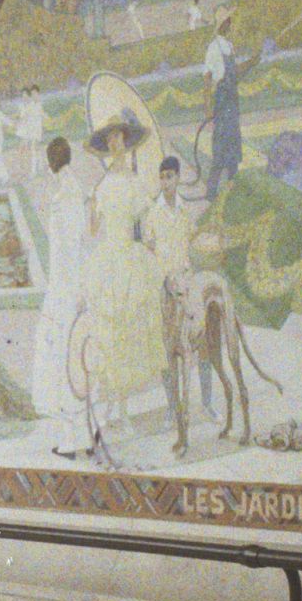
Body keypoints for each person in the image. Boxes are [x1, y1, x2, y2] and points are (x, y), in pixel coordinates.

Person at [84, 110, 168, 432]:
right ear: (107, 146)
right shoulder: (102, 185)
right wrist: (92, 207)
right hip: (109, 257)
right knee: (111, 333)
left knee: (132, 331)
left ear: (126, 141)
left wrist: (150, 244)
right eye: (110, 139)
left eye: (118, 137)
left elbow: (144, 224)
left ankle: (125, 408)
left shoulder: (134, 182)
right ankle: (112, 407)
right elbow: (93, 231)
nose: (115, 143)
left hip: (129, 257)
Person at [144, 156, 213, 418]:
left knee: (202, 336)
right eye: (162, 177)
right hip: (165, 284)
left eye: (170, 176)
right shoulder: (153, 212)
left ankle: (207, 402)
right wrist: (162, 274)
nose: (165, 182)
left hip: (185, 280)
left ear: (178, 178)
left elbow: (193, 242)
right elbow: (148, 246)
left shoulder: (185, 211)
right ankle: (173, 407)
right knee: (166, 346)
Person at [32, 137, 88, 458]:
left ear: (51, 162)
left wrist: (67, 287)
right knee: (79, 354)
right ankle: (87, 432)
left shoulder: (63, 195)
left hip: (64, 286)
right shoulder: (73, 189)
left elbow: (65, 248)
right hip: (72, 283)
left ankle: (71, 438)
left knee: (63, 357)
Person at [202, 8, 251, 201]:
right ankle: (211, 193)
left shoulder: (229, 46)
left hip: (232, 102)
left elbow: (235, 75)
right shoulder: (213, 48)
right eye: (227, 21)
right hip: (222, 103)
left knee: (233, 147)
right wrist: (207, 109)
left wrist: (252, 62)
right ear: (222, 24)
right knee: (220, 150)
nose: (230, 24)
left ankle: (232, 189)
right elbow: (207, 79)